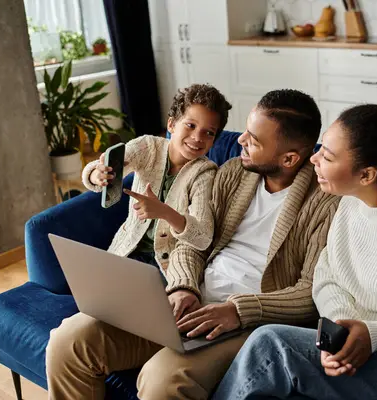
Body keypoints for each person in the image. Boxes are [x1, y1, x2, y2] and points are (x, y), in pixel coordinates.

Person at [45, 89, 340, 400]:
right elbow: (194, 241)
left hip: (247, 321)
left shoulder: (327, 204)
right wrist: (184, 286)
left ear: (289, 158)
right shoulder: (232, 174)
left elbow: (311, 292)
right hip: (190, 300)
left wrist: (237, 311)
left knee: (162, 381)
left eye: (253, 139)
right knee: (70, 342)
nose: (239, 141)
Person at [213, 92, 377, 400]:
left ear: (366, 175)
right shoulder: (350, 203)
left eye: (327, 156)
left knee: (270, 344)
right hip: (356, 344)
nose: (313, 159)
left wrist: (372, 335)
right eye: (322, 147)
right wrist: (340, 333)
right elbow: (327, 278)